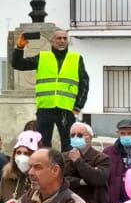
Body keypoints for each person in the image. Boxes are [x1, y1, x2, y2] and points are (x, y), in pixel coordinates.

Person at [9, 27, 87, 155]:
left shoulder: (76, 58)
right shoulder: (42, 57)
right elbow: (18, 64)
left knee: (69, 146)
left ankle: (67, 171)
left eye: (64, 38)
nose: (61, 41)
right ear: (52, 41)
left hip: (66, 109)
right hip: (45, 109)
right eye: (58, 38)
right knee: (43, 145)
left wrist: (78, 106)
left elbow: (84, 83)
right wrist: (20, 47)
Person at [103, 118, 131, 203]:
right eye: (123, 133)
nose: (126, 136)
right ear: (118, 133)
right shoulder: (108, 152)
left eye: (129, 133)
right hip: (115, 201)